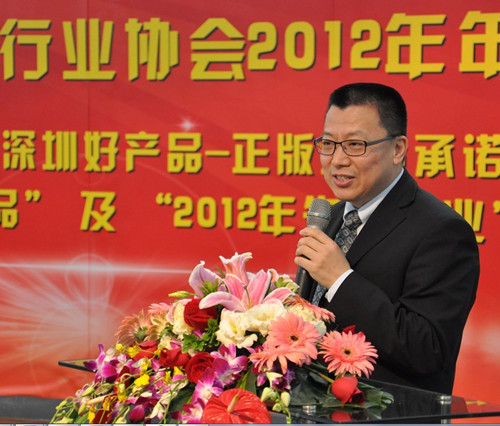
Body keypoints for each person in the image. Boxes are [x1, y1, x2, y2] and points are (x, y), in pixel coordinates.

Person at [294, 82, 479, 394]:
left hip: (392, 411)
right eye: (328, 144)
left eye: (355, 145)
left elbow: (429, 348)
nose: (337, 160)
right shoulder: (331, 217)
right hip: (312, 406)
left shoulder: (442, 231)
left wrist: (341, 281)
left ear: (397, 149)